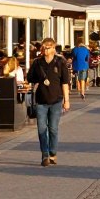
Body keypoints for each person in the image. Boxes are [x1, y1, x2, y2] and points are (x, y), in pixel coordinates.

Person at [26, 37, 70, 167]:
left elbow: (65, 83)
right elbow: (30, 78)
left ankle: (53, 153)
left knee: (53, 128)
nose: (46, 50)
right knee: (41, 129)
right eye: (44, 47)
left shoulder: (60, 62)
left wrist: (66, 101)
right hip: (41, 100)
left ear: (54, 48)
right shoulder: (37, 63)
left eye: (48, 47)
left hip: (56, 100)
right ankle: (45, 154)